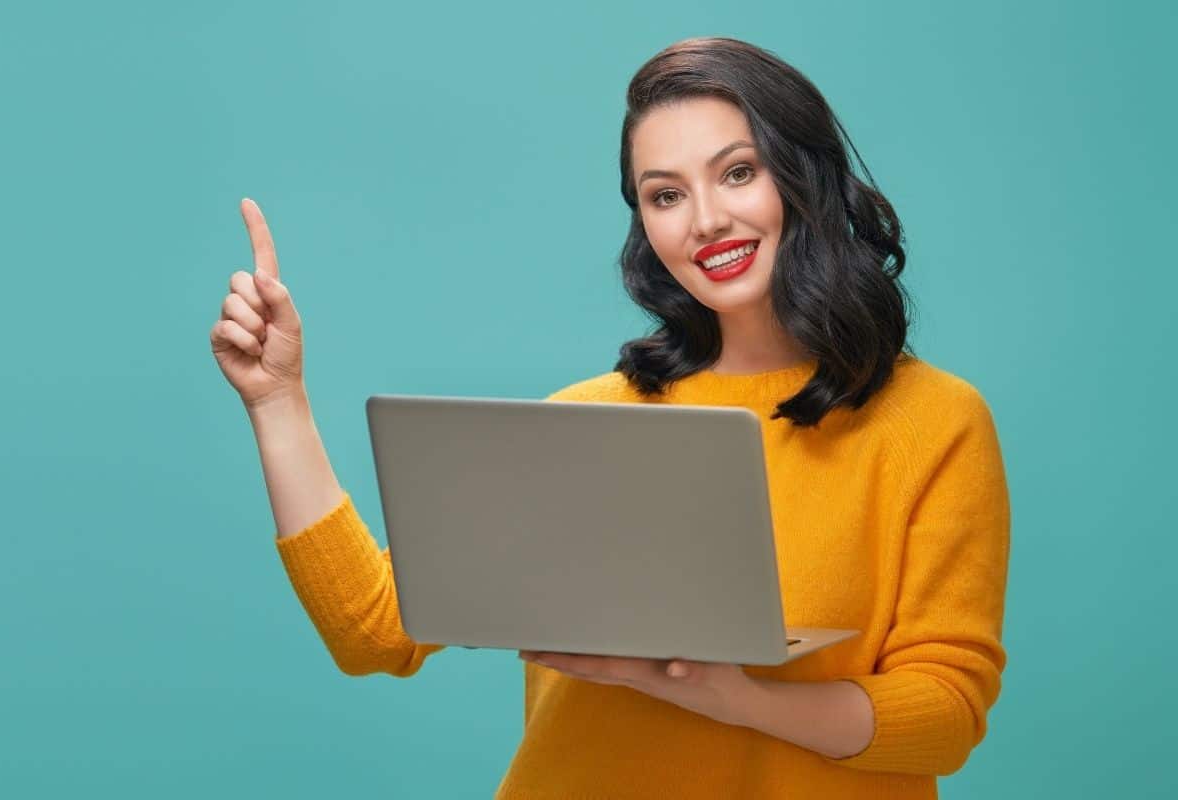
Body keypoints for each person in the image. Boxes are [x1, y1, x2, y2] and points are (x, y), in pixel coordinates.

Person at [210, 36, 1010, 800]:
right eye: (666, 194)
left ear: (804, 176)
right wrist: (278, 403)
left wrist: (737, 699)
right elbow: (376, 632)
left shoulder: (930, 422)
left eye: (738, 173)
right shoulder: (586, 420)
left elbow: (944, 713)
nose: (704, 222)